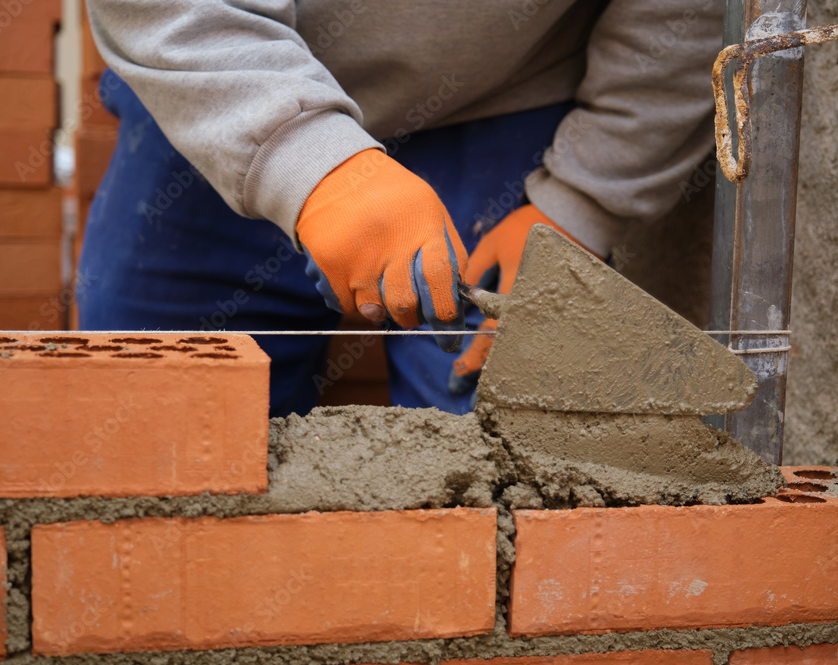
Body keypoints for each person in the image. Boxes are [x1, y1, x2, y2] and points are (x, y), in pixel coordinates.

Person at [80, 0, 723, 417]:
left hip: (504, 99)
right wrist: (310, 163)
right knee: (146, 424)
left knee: (493, 463)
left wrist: (580, 201)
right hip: (229, 81)